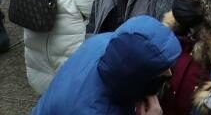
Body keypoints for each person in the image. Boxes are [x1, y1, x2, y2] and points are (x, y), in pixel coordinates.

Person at [32, 14, 181, 115]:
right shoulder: (96, 110)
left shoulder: (106, 43)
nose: (169, 73)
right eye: (161, 70)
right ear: (134, 75)